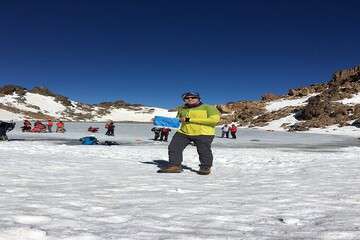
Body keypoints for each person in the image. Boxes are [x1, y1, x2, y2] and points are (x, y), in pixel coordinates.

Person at [158, 91, 220, 175]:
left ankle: (205, 167)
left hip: (203, 133)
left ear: (199, 98)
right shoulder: (181, 108)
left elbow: (214, 121)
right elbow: (178, 120)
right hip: (184, 132)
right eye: (187, 98)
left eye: (193, 97)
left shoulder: (208, 107)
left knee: (203, 151)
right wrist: (160, 121)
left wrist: (189, 119)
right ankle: (175, 166)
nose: (190, 99)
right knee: (174, 147)